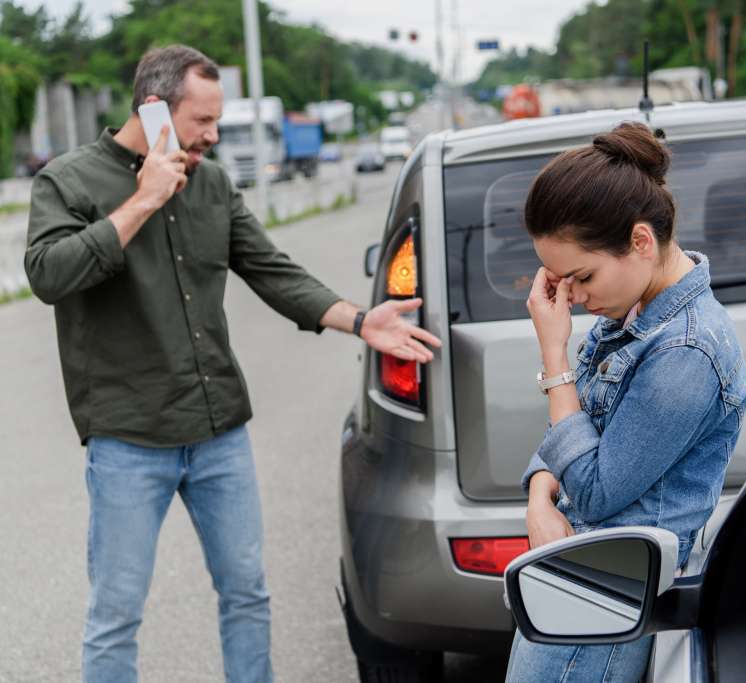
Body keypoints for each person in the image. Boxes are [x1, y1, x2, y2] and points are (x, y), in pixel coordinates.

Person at [23, 45, 441, 683]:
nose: (215, 137)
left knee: (247, 594)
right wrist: (142, 201)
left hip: (220, 433)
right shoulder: (69, 181)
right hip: (130, 437)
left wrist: (361, 319)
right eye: (203, 122)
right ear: (156, 111)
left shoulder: (212, 183)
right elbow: (49, 274)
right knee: (116, 614)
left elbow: (272, 271)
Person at [505, 122, 746, 682]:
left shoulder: (686, 350)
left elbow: (592, 491)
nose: (575, 299)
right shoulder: (635, 315)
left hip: (607, 599)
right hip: (576, 579)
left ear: (640, 241)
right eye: (561, 284)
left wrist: (553, 352)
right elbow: (573, 435)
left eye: (582, 278)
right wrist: (540, 500)